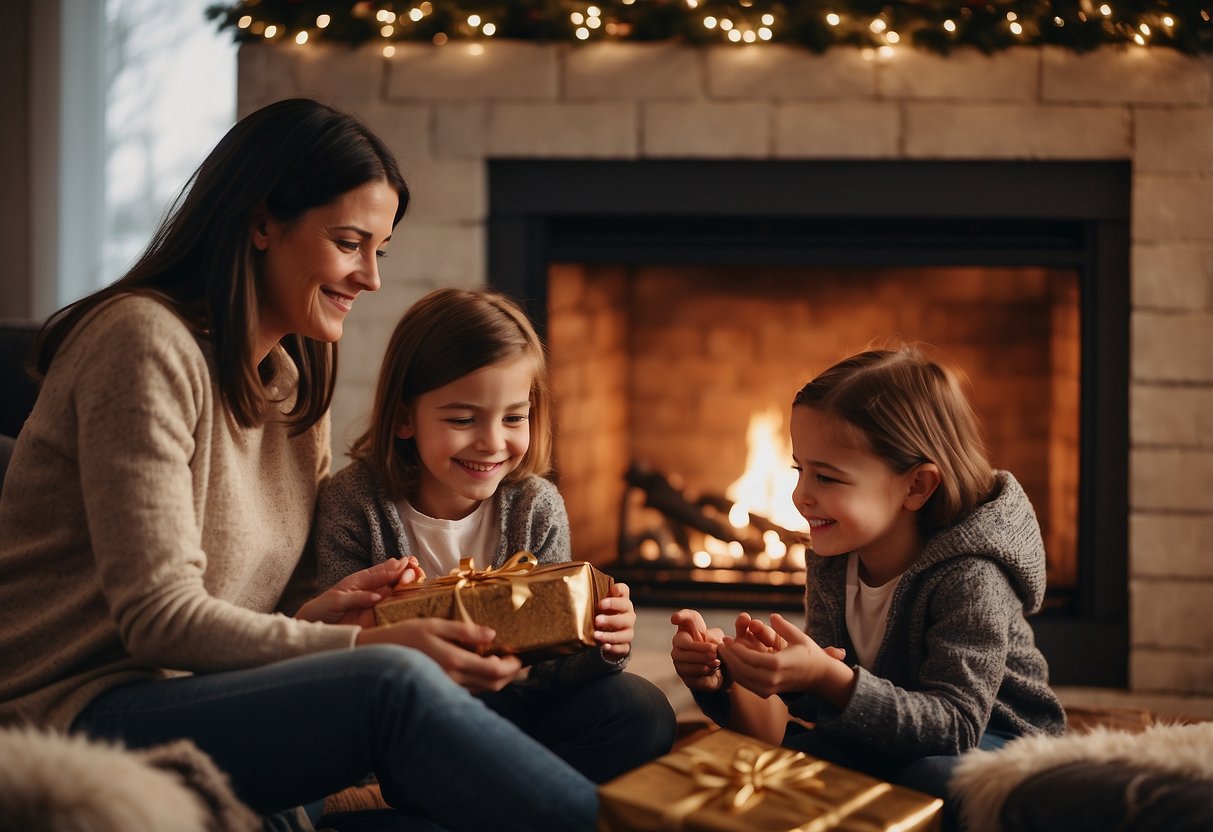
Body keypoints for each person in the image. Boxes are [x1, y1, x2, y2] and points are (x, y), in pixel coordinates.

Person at [0, 98, 599, 831]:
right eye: (349, 242)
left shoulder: (290, 388)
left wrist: (322, 614)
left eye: (380, 248)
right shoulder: (142, 342)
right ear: (261, 223)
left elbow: (249, 616)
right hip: (69, 710)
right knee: (392, 683)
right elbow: (158, 619)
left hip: (205, 700)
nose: (370, 277)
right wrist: (365, 643)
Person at [670, 347, 1066, 825]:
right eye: (799, 470)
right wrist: (736, 673)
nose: (800, 495)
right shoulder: (834, 559)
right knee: (788, 769)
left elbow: (955, 728)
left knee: (935, 782)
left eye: (827, 477)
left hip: (996, 740)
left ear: (916, 487)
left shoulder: (971, 576)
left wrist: (824, 676)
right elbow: (826, 700)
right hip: (893, 735)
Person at [313, 286, 676, 785]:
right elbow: (345, 659)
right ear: (403, 418)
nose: (491, 442)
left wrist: (602, 642)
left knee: (641, 708)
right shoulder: (353, 503)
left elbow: (553, 674)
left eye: (513, 417)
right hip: (408, 718)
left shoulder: (534, 506)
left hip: (513, 710)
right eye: (462, 419)